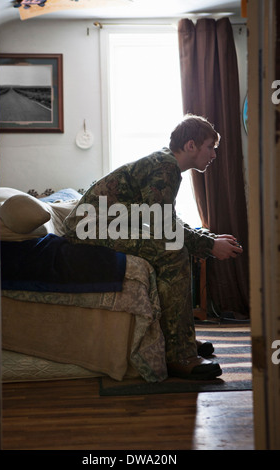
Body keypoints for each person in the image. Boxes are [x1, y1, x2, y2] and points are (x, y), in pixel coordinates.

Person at [64, 114, 243, 380]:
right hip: (87, 227)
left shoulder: (165, 164)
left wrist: (204, 237)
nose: (214, 155)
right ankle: (179, 356)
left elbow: (164, 218)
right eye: (210, 147)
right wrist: (208, 245)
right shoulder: (166, 166)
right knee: (172, 252)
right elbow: (161, 224)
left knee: (171, 247)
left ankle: (179, 338)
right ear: (191, 145)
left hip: (101, 224)